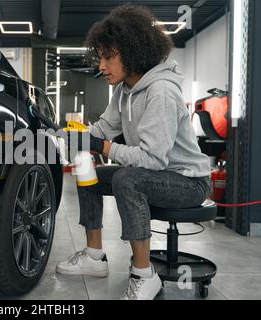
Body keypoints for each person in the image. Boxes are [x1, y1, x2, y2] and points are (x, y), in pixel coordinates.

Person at [56, 4, 211, 300]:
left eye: (108, 57)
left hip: (187, 182)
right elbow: (103, 127)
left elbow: (152, 159)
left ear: (132, 50)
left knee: (127, 179)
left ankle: (144, 274)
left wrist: (103, 147)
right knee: (88, 171)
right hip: (156, 174)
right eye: (100, 57)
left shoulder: (161, 91)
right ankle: (94, 255)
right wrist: (64, 136)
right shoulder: (126, 90)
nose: (101, 66)